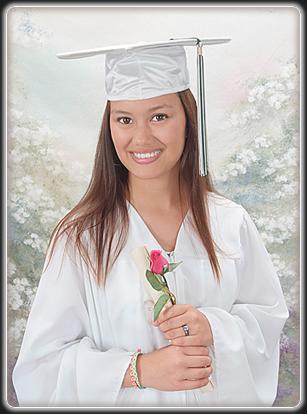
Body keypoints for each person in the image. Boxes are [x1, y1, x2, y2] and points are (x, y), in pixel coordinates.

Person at [12, 37, 289, 407]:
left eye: (159, 116)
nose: (141, 137)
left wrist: (214, 330)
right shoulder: (81, 238)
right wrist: (138, 371)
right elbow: (39, 369)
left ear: (188, 120)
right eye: (124, 119)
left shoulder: (229, 224)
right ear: (109, 126)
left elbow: (267, 324)